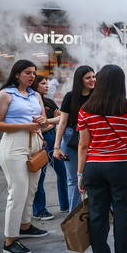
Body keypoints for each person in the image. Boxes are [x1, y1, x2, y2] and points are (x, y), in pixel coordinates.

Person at [77, 64, 127, 253]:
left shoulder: (85, 109)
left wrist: (80, 174)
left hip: (94, 167)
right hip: (121, 166)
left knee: (97, 216)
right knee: (123, 213)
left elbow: (83, 146)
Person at [0, 59, 49, 253]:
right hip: (14, 145)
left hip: (35, 143)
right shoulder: (5, 94)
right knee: (18, 192)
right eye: (27, 73)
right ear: (16, 74)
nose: (32, 76)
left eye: (33, 73)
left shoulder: (35, 95)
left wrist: (43, 120)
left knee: (31, 189)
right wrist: (24, 125)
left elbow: (45, 123)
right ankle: (10, 240)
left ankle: (24, 226)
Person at [53, 66, 96, 211]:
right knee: (73, 179)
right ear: (80, 80)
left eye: (93, 76)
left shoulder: (97, 95)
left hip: (94, 138)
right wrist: (57, 147)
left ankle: (107, 212)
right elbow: (62, 122)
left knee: (97, 179)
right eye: (88, 77)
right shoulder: (70, 96)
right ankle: (75, 216)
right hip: (72, 138)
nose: (92, 80)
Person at [31, 75, 68, 220]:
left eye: (47, 83)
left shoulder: (49, 102)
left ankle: (66, 205)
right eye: (43, 83)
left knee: (63, 172)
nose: (47, 86)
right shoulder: (32, 103)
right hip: (41, 141)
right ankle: (40, 211)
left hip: (54, 140)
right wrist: (52, 123)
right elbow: (41, 127)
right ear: (35, 85)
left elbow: (62, 117)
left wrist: (49, 123)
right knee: (40, 177)